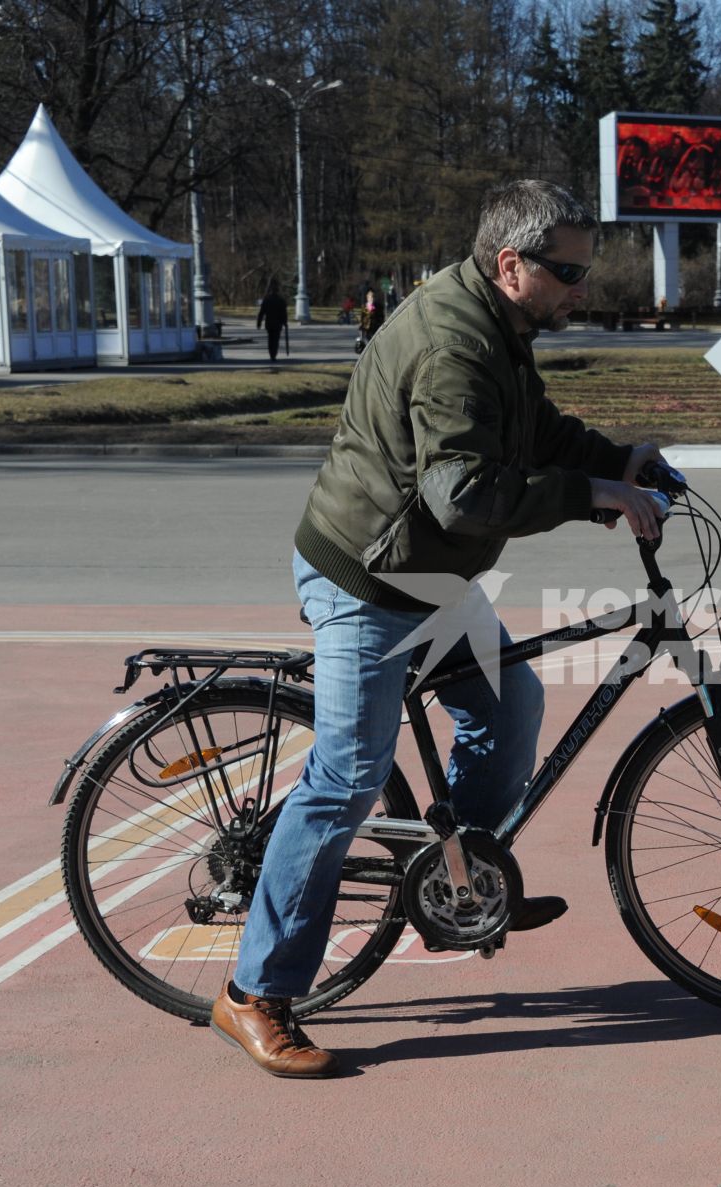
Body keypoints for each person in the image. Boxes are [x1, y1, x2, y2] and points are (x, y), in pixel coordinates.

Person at [212, 179, 668, 1077]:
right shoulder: (454, 340)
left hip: (427, 571)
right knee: (348, 776)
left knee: (512, 705)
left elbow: (529, 427)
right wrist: (594, 496)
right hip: (369, 575)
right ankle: (254, 993)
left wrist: (617, 458)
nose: (580, 287)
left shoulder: (497, 324)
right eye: (568, 271)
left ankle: (466, 878)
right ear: (511, 265)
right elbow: (460, 493)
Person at [255, 280, 288, 363]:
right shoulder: (281, 301)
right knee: (276, 340)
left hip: (269, 323)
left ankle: (271, 354)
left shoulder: (266, 300)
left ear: (270, 291)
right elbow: (284, 313)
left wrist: (258, 323)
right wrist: (285, 322)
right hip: (278, 323)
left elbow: (261, 313)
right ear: (277, 292)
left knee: (270, 339)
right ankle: (274, 354)